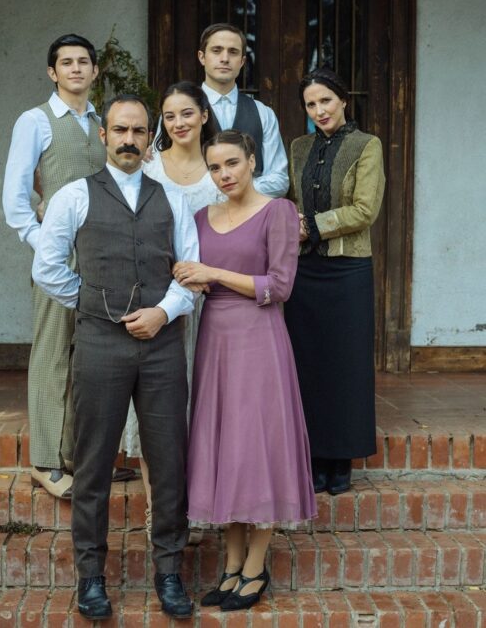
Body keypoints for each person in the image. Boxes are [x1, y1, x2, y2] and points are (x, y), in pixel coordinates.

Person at [32, 94, 198, 620]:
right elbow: (47, 267)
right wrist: (93, 303)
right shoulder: (74, 196)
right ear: (103, 135)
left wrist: (163, 313)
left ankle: (169, 572)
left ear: (150, 138)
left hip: (162, 345)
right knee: (93, 463)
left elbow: (190, 272)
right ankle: (90, 577)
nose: (129, 139)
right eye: (120, 130)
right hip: (100, 344)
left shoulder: (172, 199)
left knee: (168, 461)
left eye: (139, 131)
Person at [175, 130, 316, 611]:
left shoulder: (279, 212)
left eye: (232, 163)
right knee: (226, 448)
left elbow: (280, 286)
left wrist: (213, 274)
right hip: (215, 341)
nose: (224, 174)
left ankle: (255, 568)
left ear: (252, 161)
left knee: (257, 448)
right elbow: (185, 270)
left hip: (260, 339)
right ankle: (231, 565)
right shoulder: (200, 217)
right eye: (215, 167)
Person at [2, 34, 132, 498]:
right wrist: (47, 250)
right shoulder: (35, 121)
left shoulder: (103, 123)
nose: (75, 68)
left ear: (95, 71)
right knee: (54, 353)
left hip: (103, 256)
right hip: (58, 257)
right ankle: (46, 462)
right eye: (66, 62)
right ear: (52, 72)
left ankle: (82, 458)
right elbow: (16, 201)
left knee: (91, 359)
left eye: (83, 62)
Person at [121, 81, 223, 536]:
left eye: (187, 113)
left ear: (204, 115)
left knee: (201, 406)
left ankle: (198, 508)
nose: (178, 123)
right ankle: (158, 510)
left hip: (210, 306)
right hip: (158, 305)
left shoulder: (219, 168)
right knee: (155, 411)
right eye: (169, 116)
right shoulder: (147, 168)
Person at [283, 68, 385, 495]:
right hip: (304, 271)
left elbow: (365, 210)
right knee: (307, 364)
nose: (319, 110)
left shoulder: (367, 145)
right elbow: (290, 199)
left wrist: (311, 225)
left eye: (326, 100)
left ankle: (341, 460)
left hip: (347, 271)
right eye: (311, 104)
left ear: (343, 99)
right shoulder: (299, 147)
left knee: (346, 365)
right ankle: (313, 456)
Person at [197, 23, 289, 197]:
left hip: (252, 213)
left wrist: (235, 191)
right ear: (202, 57)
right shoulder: (179, 111)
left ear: (242, 61)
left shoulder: (263, 113)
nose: (225, 58)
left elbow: (279, 180)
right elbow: (162, 171)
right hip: (196, 212)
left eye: (233, 52)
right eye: (216, 50)